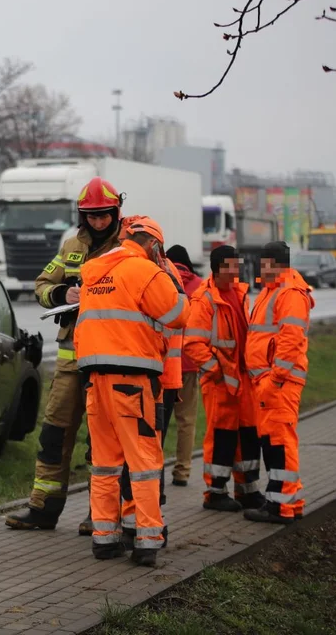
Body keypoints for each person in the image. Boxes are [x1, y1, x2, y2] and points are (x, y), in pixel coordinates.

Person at [5, 177, 124, 533]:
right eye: (92, 216)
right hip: (72, 360)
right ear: (82, 215)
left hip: (108, 359)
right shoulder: (72, 245)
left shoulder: (128, 247)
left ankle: (99, 513)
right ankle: (43, 509)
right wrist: (61, 295)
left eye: (104, 215)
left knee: (101, 440)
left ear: (115, 212)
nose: (99, 222)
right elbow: (42, 285)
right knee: (54, 434)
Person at [76, 217, 188, 566]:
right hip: (132, 383)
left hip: (95, 383)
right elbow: (178, 315)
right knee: (143, 464)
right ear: (153, 245)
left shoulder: (94, 271)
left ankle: (105, 540)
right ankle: (147, 541)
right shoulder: (146, 271)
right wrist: (171, 278)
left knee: (104, 464)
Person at [182, 245, 264, 511]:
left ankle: (247, 489)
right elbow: (193, 343)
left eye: (237, 265)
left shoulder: (240, 294)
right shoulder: (204, 299)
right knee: (222, 437)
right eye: (231, 266)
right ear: (218, 269)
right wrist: (216, 372)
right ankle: (216, 492)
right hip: (221, 383)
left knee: (249, 435)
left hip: (243, 379)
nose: (237, 270)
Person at [244, 241, 314, 524]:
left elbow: (290, 340)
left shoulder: (289, 293)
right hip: (268, 381)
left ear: (273, 263)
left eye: (263, 265)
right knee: (273, 442)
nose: (260, 270)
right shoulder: (273, 291)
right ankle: (285, 501)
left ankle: (281, 507)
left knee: (281, 442)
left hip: (278, 382)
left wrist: (275, 378)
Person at [165, 245, 203, 486]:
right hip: (190, 362)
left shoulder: (160, 279)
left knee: (157, 421)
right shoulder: (200, 286)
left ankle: (152, 470)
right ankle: (182, 471)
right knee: (186, 421)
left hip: (163, 363)